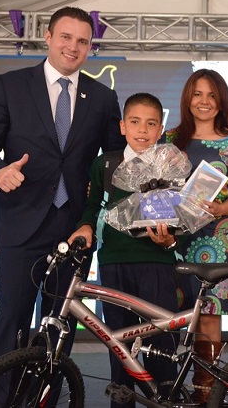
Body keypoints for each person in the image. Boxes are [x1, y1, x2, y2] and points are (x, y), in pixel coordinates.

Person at [0, 6, 126, 373]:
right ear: (48, 37)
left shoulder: (103, 98)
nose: (73, 47)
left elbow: (115, 162)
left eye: (82, 41)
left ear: (90, 47)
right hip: (21, 222)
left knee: (59, 327)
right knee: (11, 319)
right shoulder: (10, 85)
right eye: (66, 37)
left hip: (75, 228)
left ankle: (45, 397)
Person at [68, 93, 178, 407]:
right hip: (114, 263)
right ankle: (121, 401)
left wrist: (170, 241)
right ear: (122, 126)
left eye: (151, 123)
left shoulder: (170, 164)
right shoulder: (105, 163)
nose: (142, 129)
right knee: (118, 342)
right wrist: (86, 226)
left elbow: (183, 217)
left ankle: (165, 399)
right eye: (135, 121)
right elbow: (92, 206)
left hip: (157, 263)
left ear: (160, 130)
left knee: (161, 343)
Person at [163, 69, 228, 403]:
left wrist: (220, 208)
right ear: (187, 98)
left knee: (210, 318)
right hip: (173, 240)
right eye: (197, 94)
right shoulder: (169, 139)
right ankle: (171, 388)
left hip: (216, 239)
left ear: (222, 101)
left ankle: (206, 395)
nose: (204, 101)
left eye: (212, 95)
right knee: (173, 316)